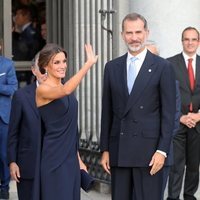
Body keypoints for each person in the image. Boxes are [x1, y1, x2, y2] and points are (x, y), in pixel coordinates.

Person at [100, 12, 176, 200]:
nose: (134, 38)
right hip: (120, 150)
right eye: (129, 33)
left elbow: (168, 113)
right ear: (122, 35)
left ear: (146, 32)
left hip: (150, 153)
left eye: (138, 32)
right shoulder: (112, 67)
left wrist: (162, 150)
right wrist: (105, 149)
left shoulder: (162, 67)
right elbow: (107, 111)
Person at [33, 43, 98, 200]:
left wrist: (79, 160)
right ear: (45, 66)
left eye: (64, 61)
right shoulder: (42, 89)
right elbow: (66, 90)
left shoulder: (62, 86)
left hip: (70, 160)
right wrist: (87, 64)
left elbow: (69, 130)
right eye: (56, 62)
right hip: (53, 159)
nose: (62, 66)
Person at [7, 52, 47, 200]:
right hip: (28, 166)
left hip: (54, 166)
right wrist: (12, 161)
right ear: (33, 70)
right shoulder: (21, 96)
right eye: (41, 68)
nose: (45, 73)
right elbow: (13, 132)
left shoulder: (63, 94)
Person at [167, 27, 200, 200]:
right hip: (177, 123)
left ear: (198, 42)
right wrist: (180, 116)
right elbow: (166, 95)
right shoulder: (169, 64)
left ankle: (189, 196)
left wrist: (198, 116)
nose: (190, 43)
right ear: (182, 41)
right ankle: (172, 198)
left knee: (194, 166)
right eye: (187, 39)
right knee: (176, 166)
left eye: (194, 39)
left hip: (198, 124)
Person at [0, 46, 18, 199]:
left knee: (3, 154)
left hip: (3, 117)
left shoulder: (7, 65)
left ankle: (4, 187)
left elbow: (13, 88)